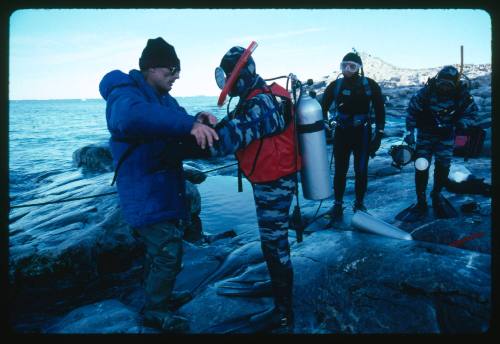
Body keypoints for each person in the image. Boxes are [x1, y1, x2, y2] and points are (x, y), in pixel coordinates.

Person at [98, 37, 218, 332]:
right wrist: (188, 125)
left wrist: (198, 118)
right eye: (171, 70)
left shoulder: (163, 98)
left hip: (163, 190)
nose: (176, 76)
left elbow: (175, 118)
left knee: (159, 252)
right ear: (151, 68)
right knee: (168, 251)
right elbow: (129, 117)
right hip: (144, 192)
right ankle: (155, 310)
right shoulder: (124, 93)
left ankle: (158, 297)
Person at [206, 45, 300, 332]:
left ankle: (284, 313)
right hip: (273, 180)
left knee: (274, 245)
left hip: (275, 183)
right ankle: (275, 285)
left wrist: (182, 142)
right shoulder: (260, 98)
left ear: (243, 76)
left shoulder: (261, 103)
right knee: (273, 241)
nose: (228, 84)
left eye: (230, 77)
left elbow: (224, 141)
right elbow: (234, 125)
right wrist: (203, 123)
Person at [398, 65, 478, 221]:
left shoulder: (462, 97)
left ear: (455, 84)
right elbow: (411, 111)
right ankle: (421, 200)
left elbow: (472, 114)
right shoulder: (426, 93)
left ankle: (436, 194)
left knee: (443, 166)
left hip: (446, 136)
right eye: (442, 82)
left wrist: (459, 124)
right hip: (425, 135)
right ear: (437, 80)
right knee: (421, 165)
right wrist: (410, 132)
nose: (445, 87)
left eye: (449, 84)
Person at [320, 52, 386, 223]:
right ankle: (337, 204)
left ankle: (359, 204)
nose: (347, 69)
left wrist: (378, 135)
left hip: (362, 133)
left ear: (359, 68)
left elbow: (380, 111)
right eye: (344, 65)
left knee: (361, 170)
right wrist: (326, 126)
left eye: (352, 66)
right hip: (342, 132)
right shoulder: (335, 86)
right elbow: (322, 108)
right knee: (340, 170)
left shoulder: (370, 85)